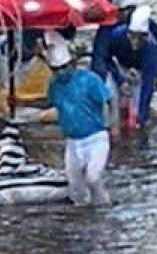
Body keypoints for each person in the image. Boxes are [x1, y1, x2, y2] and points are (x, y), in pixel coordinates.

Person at [44, 30, 114, 206]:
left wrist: (114, 125)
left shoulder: (89, 80)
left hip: (95, 137)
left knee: (93, 178)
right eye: (55, 69)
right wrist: (20, 103)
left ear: (72, 64)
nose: (60, 73)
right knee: (75, 186)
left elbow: (110, 99)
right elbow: (48, 103)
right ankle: (82, 215)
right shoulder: (54, 86)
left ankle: (103, 207)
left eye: (63, 68)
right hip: (73, 141)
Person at [91, 0, 157, 129]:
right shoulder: (112, 32)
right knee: (112, 99)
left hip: (140, 68)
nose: (125, 14)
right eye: (123, 10)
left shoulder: (152, 47)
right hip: (117, 65)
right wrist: (120, 81)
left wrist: (142, 116)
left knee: (140, 104)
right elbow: (102, 57)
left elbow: (148, 81)